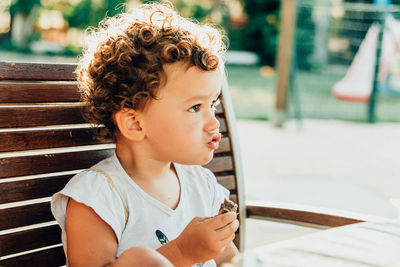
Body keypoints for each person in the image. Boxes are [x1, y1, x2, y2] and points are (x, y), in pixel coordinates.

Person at [51, 2, 239, 266]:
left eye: (214, 104)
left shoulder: (202, 185)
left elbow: (230, 258)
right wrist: (182, 253)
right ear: (135, 125)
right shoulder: (98, 198)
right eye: (195, 107)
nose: (213, 122)